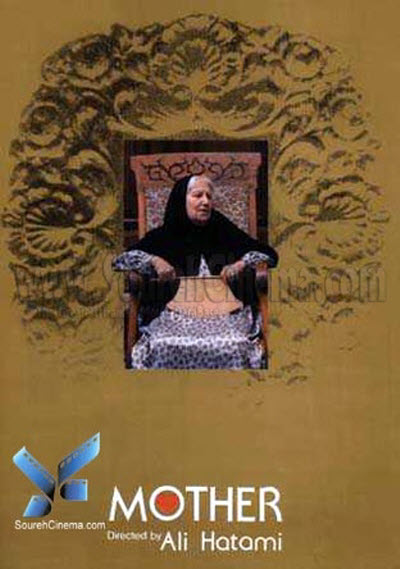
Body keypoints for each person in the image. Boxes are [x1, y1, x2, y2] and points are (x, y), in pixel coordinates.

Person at [113, 175, 278, 369]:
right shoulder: (165, 234)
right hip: (174, 315)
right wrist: (154, 260)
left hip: (226, 313)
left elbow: (267, 254)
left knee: (235, 344)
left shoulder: (222, 229)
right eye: (198, 195)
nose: (205, 201)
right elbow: (122, 260)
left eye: (209, 196)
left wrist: (240, 264)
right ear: (181, 199)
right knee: (162, 345)